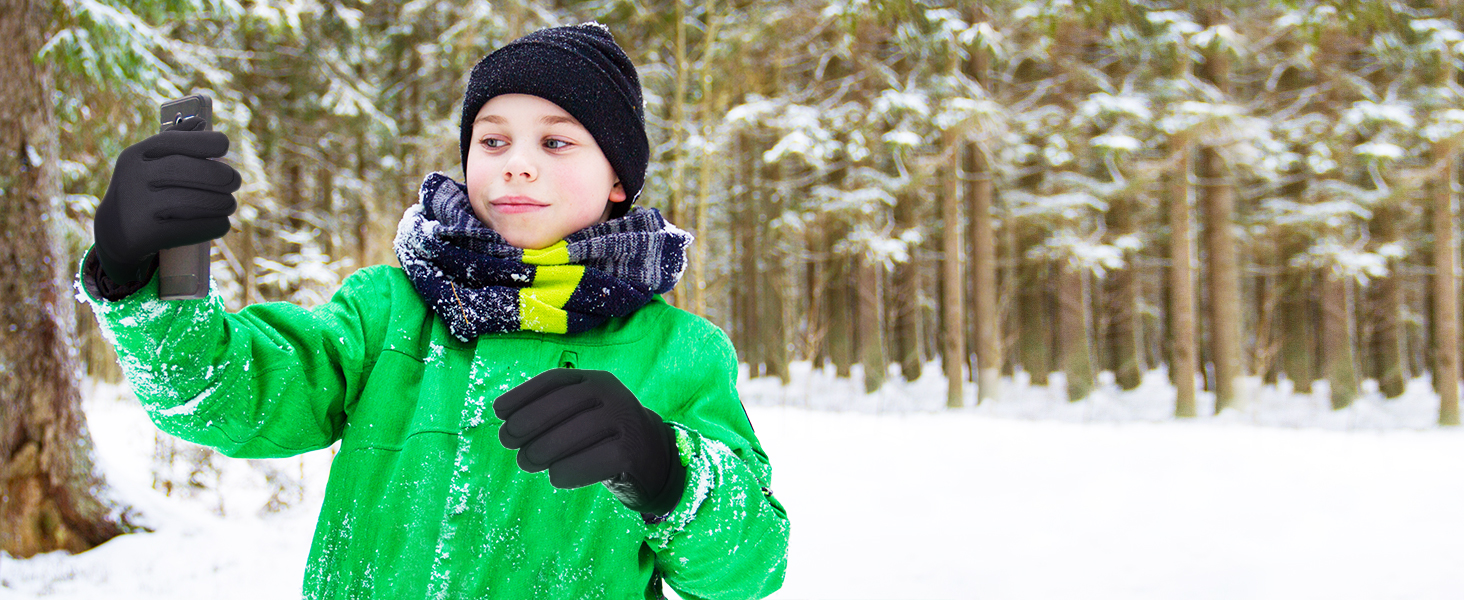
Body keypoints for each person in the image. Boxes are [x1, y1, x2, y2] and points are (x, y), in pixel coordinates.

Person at [79, 22, 789, 600]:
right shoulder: (386, 313)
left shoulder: (680, 352)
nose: (516, 163)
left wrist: (669, 472)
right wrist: (139, 270)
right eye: (493, 139)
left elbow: (749, 569)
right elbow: (219, 394)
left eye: (556, 140)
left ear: (617, 182)